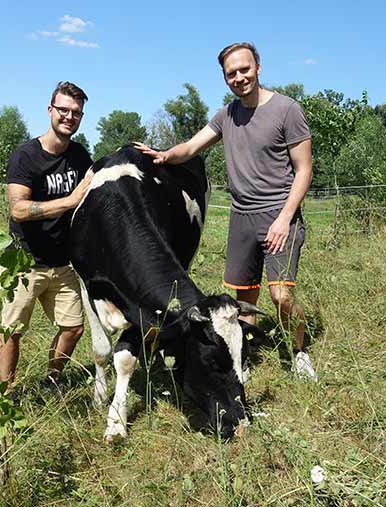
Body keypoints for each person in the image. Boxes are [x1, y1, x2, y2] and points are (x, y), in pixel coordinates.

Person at [136, 42, 317, 379]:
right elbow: (191, 147)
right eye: (231, 73)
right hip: (242, 218)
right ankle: (244, 356)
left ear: (258, 67)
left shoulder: (287, 110)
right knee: (245, 299)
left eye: (244, 69)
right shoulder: (226, 115)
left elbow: (304, 169)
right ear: (225, 78)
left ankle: (299, 351)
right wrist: (163, 155)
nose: (239, 77)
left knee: (280, 296)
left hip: (280, 215)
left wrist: (283, 219)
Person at [0, 81, 94, 393]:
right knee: (12, 331)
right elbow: (19, 210)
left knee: (74, 328)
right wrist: (69, 200)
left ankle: (52, 379)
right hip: (24, 261)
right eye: (63, 110)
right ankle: (6, 393)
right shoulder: (26, 155)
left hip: (62, 263)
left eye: (76, 113)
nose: (69, 117)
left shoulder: (80, 157)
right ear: (50, 111)